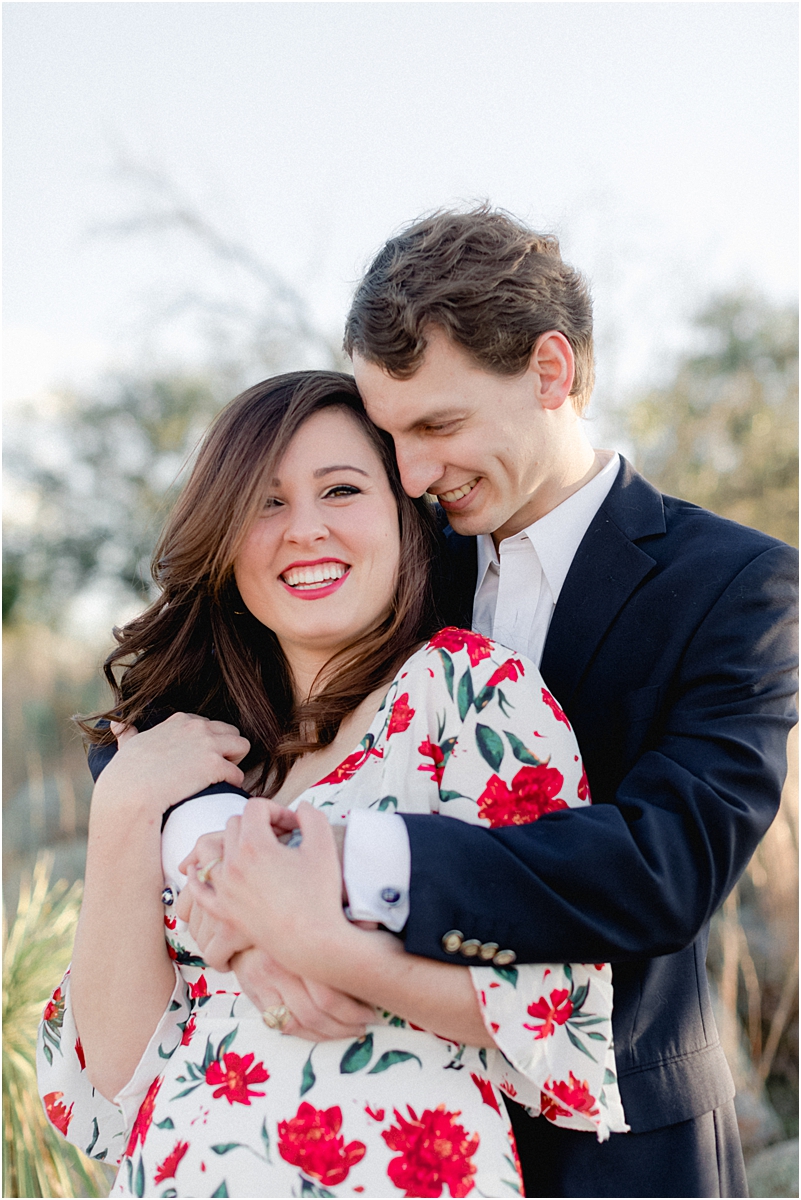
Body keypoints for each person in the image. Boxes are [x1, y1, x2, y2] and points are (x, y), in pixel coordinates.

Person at [188, 209, 797, 1199]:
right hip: (384, 1137)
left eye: (438, 425)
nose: (416, 474)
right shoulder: (397, 550)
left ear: (551, 372)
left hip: (619, 1145)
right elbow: (189, 682)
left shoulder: (738, 585)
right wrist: (221, 866)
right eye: (392, 438)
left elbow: (665, 866)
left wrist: (345, 867)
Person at [38, 370, 628, 1198]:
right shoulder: (185, 757)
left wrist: (323, 947)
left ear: (402, 516)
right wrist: (124, 809)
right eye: (265, 503)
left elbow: (552, 1003)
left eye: (340, 490)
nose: (303, 531)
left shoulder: (469, 696)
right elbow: (112, 1087)